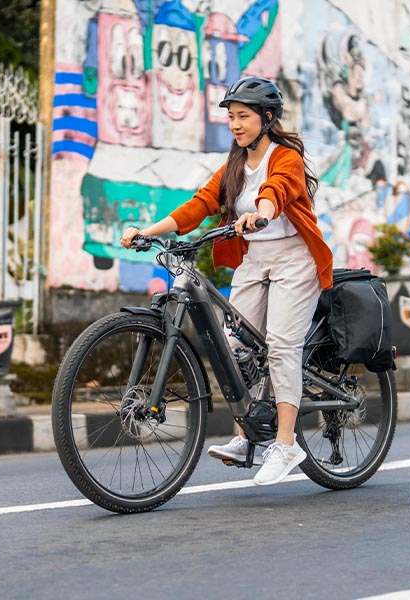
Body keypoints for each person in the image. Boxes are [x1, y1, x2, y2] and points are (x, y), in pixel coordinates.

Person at [120, 76, 333, 486]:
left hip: (295, 259)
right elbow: (198, 206)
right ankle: (246, 436)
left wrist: (262, 213)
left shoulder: (283, 157)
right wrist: (150, 230)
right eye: (231, 117)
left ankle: (287, 444)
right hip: (256, 259)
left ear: (267, 119)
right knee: (238, 348)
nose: (235, 125)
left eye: (244, 117)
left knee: (281, 345)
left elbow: (277, 190)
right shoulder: (234, 165)